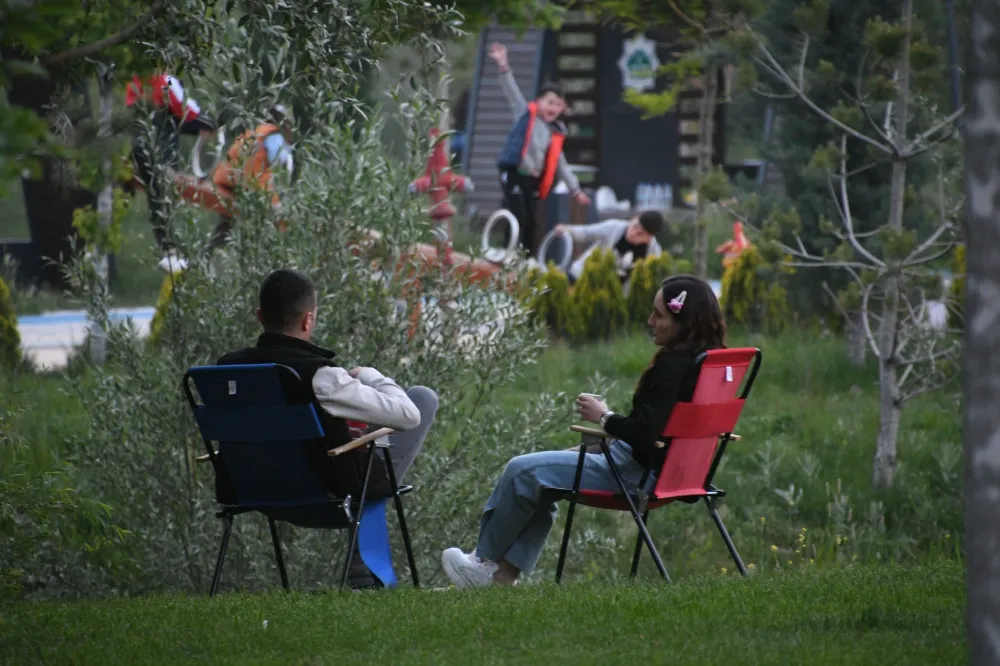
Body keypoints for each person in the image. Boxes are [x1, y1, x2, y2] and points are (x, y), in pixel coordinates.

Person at [441, 274, 725, 587]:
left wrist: (603, 417)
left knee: (521, 471)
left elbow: (646, 435)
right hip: (677, 472)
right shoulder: (711, 364)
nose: (650, 321)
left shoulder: (673, 365)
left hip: (635, 473)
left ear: (683, 321)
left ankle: (481, 563)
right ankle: (502, 577)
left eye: (658, 314)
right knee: (544, 475)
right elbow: (664, 429)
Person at [217, 269, 439, 589]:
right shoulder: (320, 376)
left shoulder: (226, 371)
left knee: (355, 438)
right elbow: (409, 415)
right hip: (325, 497)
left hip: (252, 491)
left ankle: (362, 563)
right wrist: (370, 375)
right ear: (308, 320)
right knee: (422, 399)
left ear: (259, 316)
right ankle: (361, 562)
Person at [489, 42, 591, 257]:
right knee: (518, 214)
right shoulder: (526, 114)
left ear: (563, 109)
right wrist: (503, 65)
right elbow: (511, 91)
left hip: (532, 179)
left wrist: (576, 190)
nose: (552, 108)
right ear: (539, 101)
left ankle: (525, 258)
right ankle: (507, 253)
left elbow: (561, 165)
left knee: (533, 221)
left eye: (558, 105)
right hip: (514, 172)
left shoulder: (555, 134)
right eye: (549, 102)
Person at [125, 72, 217, 273]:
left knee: (155, 196)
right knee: (160, 197)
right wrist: (208, 122)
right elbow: (187, 111)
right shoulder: (164, 79)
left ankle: (169, 250)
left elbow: (177, 117)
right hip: (159, 150)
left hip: (137, 149)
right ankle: (170, 250)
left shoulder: (133, 77)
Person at [210, 105, 295, 251]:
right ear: (285, 124)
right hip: (251, 189)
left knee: (224, 228)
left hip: (229, 182)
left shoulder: (254, 131)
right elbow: (279, 166)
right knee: (266, 228)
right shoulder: (274, 137)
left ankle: (204, 257)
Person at [554, 210, 665, 284]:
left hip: (614, 294)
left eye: (640, 234)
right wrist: (566, 230)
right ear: (633, 219)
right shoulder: (613, 227)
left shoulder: (654, 252)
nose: (632, 233)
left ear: (649, 238)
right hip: (581, 277)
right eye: (635, 226)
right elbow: (586, 233)